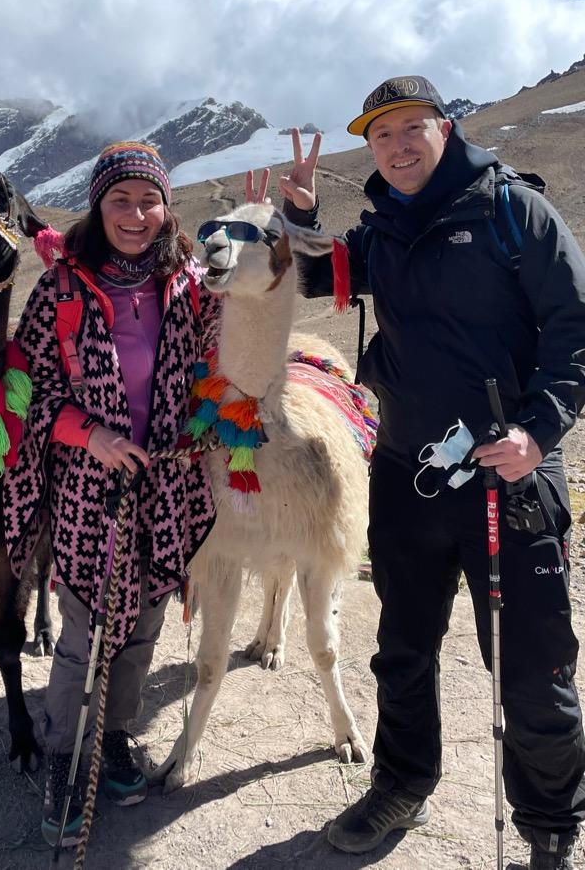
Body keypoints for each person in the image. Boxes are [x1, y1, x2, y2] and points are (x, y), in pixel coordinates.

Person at [280, 76, 585, 869]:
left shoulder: (515, 213)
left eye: (412, 127)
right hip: (407, 470)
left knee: (530, 662)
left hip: (506, 473)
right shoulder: (384, 229)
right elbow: (315, 278)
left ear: (446, 128)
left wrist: (538, 431)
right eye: (382, 136)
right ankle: (401, 784)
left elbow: (575, 331)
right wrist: (301, 217)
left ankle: (551, 827)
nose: (398, 146)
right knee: (402, 647)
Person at [2, 141, 219, 847]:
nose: (135, 214)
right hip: (92, 488)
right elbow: (33, 396)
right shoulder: (62, 289)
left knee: (145, 624)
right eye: (120, 200)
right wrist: (89, 435)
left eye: (148, 200)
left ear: (167, 207)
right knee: (83, 630)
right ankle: (64, 758)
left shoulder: (190, 286)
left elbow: (223, 365)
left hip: (165, 482)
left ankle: (117, 737)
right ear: (98, 206)